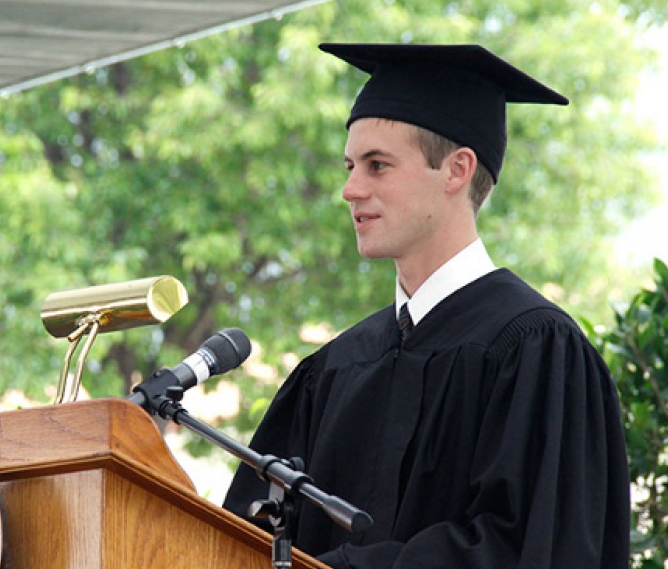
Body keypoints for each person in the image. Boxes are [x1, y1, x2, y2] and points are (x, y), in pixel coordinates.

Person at [222, 43, 630, 569]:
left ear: (457, 170)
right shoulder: (333, 370)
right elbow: (247, 540)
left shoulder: (535, 351)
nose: (349, 189)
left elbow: (534, 547)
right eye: (350, 165)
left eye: (377, 166)